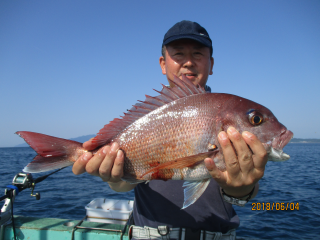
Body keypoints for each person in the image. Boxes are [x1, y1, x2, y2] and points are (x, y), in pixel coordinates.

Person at [72, 20, 268, 240]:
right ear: (163, 63)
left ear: (211, 64)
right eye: (178, 54)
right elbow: (124, 186)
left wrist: (241, 189)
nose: (188, 62)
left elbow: (246, 189)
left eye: (197, 54)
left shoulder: (230, 113)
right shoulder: (146, 118)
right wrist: (113, 176)